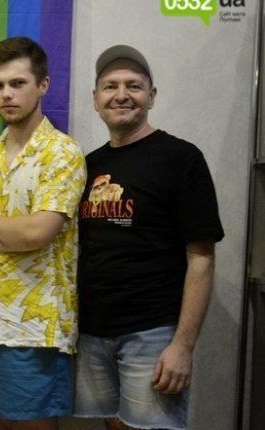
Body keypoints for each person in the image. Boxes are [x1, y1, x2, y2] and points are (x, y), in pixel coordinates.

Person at [73, 45, 224, 430]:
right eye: (110, 86)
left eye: (134, 86)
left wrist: (183, 347)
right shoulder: (88, 166)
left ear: (152, 96)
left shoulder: (182, 159)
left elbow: (202, 258)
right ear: (95, 99)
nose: (121, 94)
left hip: (152, 334)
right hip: (92, 334)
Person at [0, 37, 86, 430]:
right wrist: (11, 231)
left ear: (43, 85)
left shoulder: (62, 152)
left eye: (18, 83)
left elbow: (38, 232)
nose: (7, 94)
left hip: (36, 326)